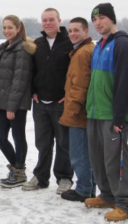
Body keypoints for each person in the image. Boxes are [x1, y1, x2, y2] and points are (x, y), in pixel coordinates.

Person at [84, 3, 128, 222]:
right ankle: (107, 195)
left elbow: (123, 82)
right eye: (94, 19)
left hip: (112, 115)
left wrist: (119, 116)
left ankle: (124, 203)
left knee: (115, 161)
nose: (98, 22)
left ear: (111, 18)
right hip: (94, 112)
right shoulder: (99, 45)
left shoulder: (122, 43)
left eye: (101, 17)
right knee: (98, 158)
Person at [22, 8, 74, 194]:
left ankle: (64, 177)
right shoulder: (38, 43)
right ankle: (41, 177)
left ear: (59, 20)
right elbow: (32, 70)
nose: (48, 23)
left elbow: (74, 73)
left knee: (63, 143)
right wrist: (33, 92)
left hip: (60, 103)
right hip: (40, 103)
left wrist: (69, 94)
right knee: (43, 143)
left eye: (51, 19)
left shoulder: (69, 44)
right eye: (44, 20)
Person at [0, 15, 35, 188]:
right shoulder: (3, 48)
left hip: (17, 104)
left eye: (10, 27)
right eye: (5, 27)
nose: (7, 31)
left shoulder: (23, 50)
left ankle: (18, 172)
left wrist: (12, 107)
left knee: (18, 136)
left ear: (18, 29)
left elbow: (20, 80)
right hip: (2, 102)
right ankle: (18, 169)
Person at [59, 17, 96, 202]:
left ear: (86, 32)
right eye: (70, 30)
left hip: (79, 114)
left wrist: (71, 111)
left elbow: (79, 86)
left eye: (76, 30)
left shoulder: (82, 53)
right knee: (87, 154)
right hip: (85, 111)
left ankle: (83, 190)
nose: (72, 34)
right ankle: (89, 187)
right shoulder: (84, 50)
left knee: (79, 154)